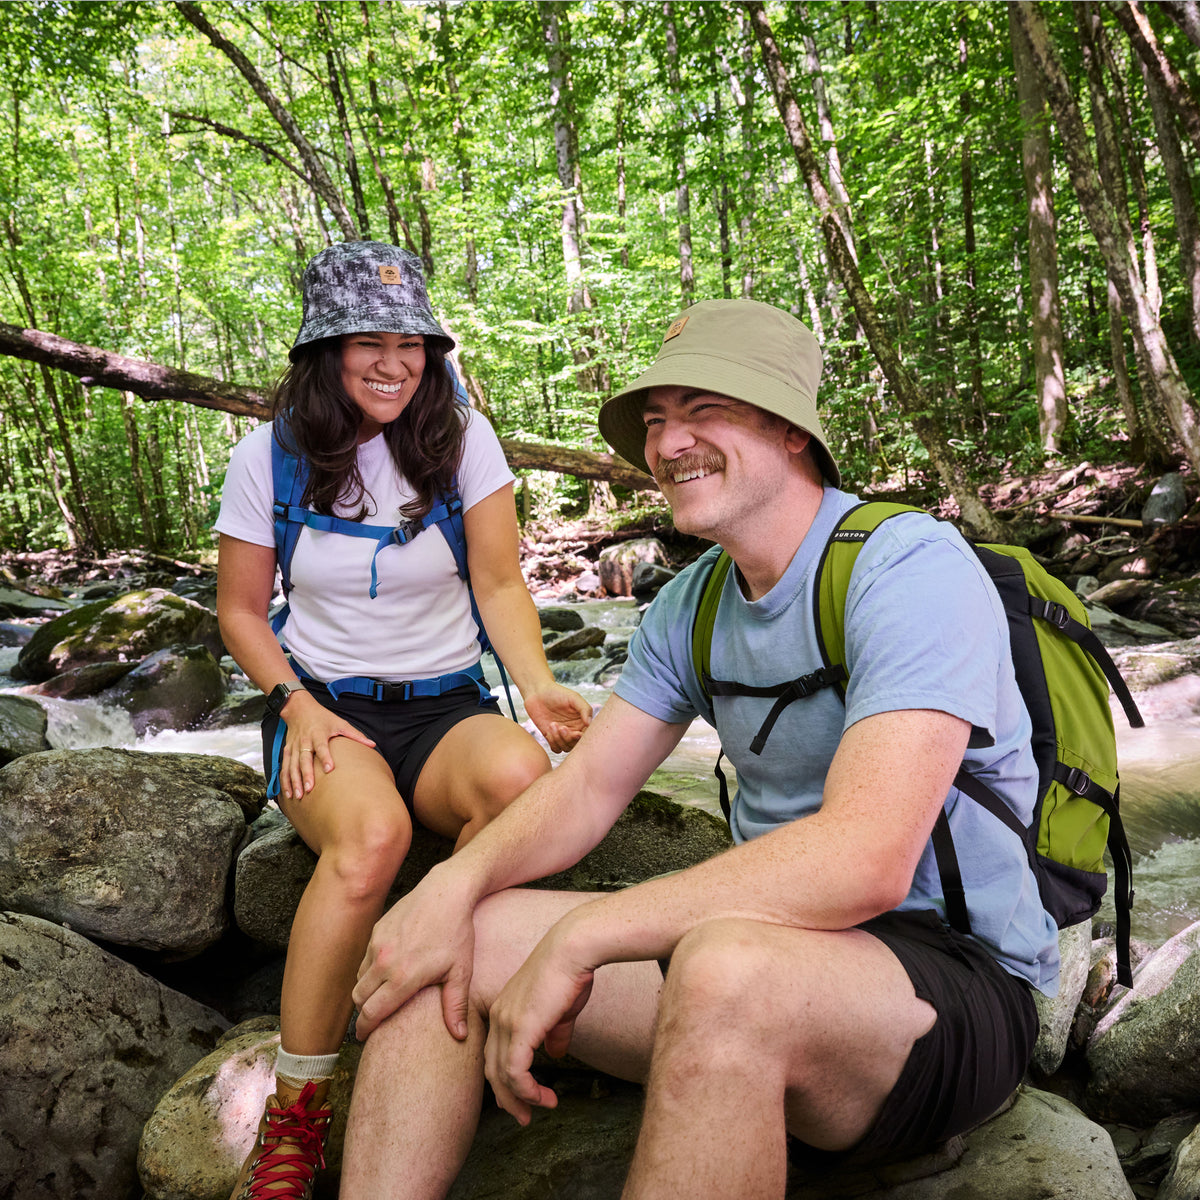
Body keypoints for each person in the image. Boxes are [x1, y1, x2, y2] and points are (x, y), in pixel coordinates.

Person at [339, 299, 1060, 1200]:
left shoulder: (908, 566)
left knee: (726, 969)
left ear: (791, 429)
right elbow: (585, 793)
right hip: (769, 952)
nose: (669, 443)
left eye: (704, 409)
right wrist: (450, 886)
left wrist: (583, 936)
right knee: (447, 940)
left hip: (949, 985)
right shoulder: (691, 605)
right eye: (655, 420)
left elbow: (867, 861)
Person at [213, 240, 593, 1200]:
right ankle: (297, 1116)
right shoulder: (268, 457)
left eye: (412, 343)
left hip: (446, 707)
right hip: (323, 706)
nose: (393, 362)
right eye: (367, 342)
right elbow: (240, 614)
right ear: (325, 352)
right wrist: (293, 706)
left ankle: (442, 1008)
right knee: (372, 838)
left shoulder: (464, 441)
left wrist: (537, 683)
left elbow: (501, 582)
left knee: (521, 785)